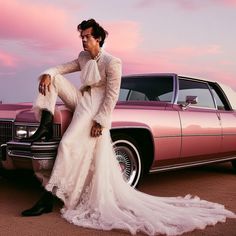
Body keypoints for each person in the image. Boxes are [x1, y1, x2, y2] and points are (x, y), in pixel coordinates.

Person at [21, 19, 235, 235]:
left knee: (67, 144)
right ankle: (46, 122)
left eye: (87, 36)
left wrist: (101, 121)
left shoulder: (113, 62)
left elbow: (112, 96)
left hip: (96, 106)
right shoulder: (83, 57)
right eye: (82, 37)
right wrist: (49, 72)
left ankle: (49, 197)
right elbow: (61, 68)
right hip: (82, 100)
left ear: (98, 38)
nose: (83, 40)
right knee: (52, 77)